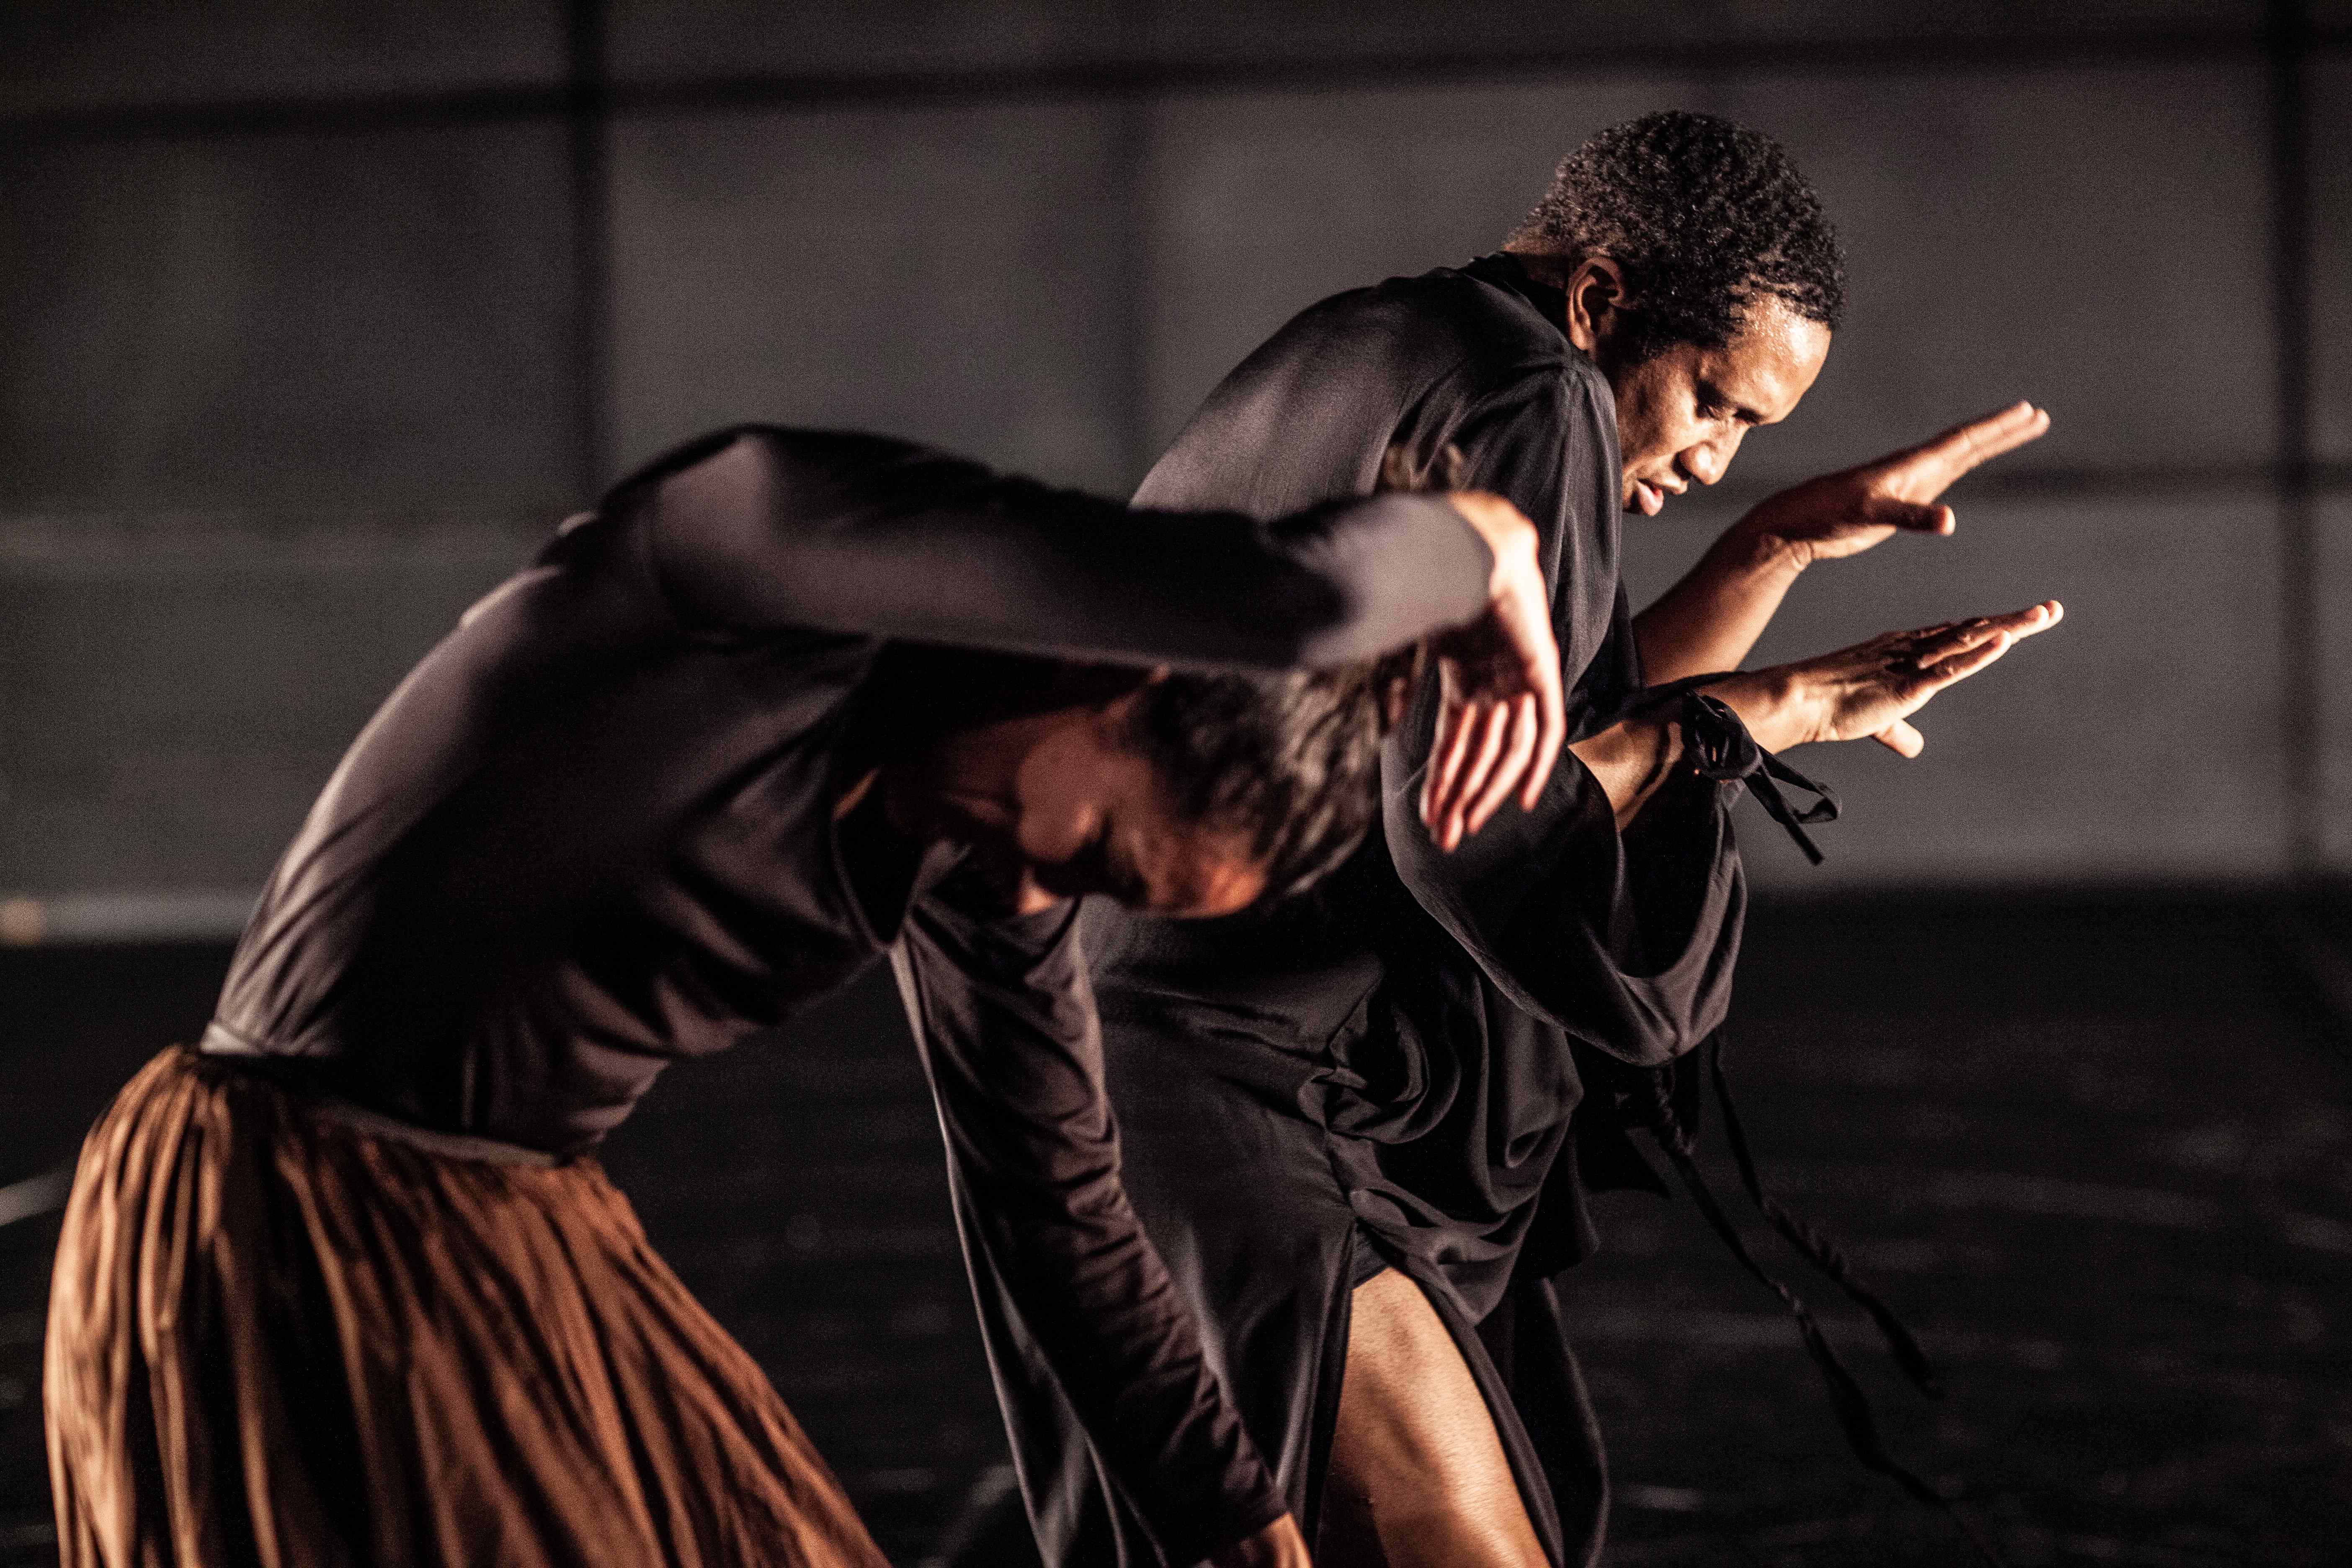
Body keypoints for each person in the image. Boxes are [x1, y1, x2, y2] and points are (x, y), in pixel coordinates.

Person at [40, 423, 1576, 1568]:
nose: (1052, 890)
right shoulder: (738, 549)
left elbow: (1059, 1210)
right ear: (1127, 678)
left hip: (518, 1232)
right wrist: (1481, 540)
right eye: (1099, 851)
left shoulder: (975, 857)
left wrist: (1245, 1532)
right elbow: (1292, 603)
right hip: (280, 1204)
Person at [917, 111, 2063, 1567]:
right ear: (1599, 299)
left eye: (1749, 437)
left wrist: (1772, 548)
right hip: (1220, 1083)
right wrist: (1760, 716)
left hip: (1141, 1052)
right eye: (1716, 404)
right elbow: (1477, 824)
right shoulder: (1533, 396)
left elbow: (1521, 734)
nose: (1712, 456)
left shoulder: (1389, 340)